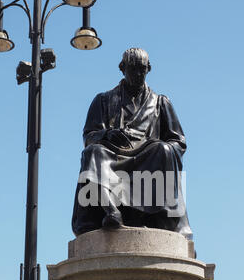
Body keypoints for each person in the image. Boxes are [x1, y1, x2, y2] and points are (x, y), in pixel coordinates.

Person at [72, 48, 192, 239]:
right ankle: (111, 211)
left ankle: (153, 215)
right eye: (133, 69)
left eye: (142, 69)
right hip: (114, 155)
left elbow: (178, 141)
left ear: (149, 69)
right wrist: (107, 135)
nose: (137, 74)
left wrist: (163, 149)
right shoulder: (103, 100)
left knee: (164, 149)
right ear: (122, 68)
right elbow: (89, 135)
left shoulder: (160, 102)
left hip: (148, 155)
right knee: (92, 153)